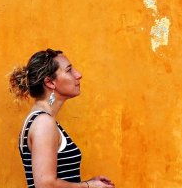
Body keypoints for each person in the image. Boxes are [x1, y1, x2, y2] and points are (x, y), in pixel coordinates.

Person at [9, 48, 115, 188]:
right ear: (50, 83)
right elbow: (45, 185)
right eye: (69, 70)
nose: (78, 75)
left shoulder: (40, 120)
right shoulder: (43, 123)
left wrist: (87, 183)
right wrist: (88, 186)